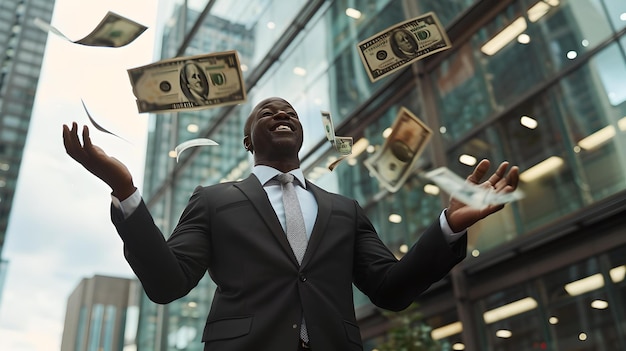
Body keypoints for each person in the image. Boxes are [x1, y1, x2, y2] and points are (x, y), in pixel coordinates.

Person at [62, 97, 519, 351]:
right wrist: (125, 191)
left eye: (291, 114)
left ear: (300, 134)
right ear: (248, 140)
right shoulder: (215, 200)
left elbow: (391, 288)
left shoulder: (345, 209)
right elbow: (168, 283)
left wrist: (447, 229)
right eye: (268, 112)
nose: (282, 115)